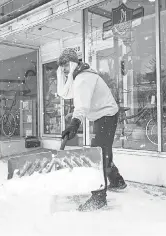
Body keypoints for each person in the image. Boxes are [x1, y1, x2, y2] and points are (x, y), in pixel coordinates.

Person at [57, 48, 127, 211]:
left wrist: (74, 122)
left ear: (73, 63)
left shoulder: (83, 78)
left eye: (66, 65)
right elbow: (71, 96)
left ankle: (98, 197)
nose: (64, 70)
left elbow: (82, 105)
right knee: (102, 151)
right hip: (103, 115)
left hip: (107, 115)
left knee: (98, 155)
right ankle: (117, 181)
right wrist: (73, 117)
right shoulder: (79, 76)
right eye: (62, 67)